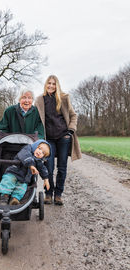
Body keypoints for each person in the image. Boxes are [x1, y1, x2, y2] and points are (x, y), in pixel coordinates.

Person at [35, 75, 81, 205]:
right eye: (49, 83)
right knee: (48, 167)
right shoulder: (39, 100)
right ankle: (48, 193)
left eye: (53, 84)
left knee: (62, 167)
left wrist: (70, 130)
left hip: (63, 138)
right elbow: (36, 119)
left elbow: (73, 115)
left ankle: (58, 194)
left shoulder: (64, 98)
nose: (51, 86)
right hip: (48, 139)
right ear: (46, 84)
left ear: (57, 85)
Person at [0, 139, 51, 205]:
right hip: (13, 172)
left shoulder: (38, 161)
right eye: (39, 148)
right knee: (8, 182)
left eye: (43, 153)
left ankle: (15, 199)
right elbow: (25, 156)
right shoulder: (27, 149)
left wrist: (46, 179)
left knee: (22, 188)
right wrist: (31, 165)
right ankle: (4, 197)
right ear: (35, 146)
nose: (40, 152)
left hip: (24, 178)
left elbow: (42, 168)